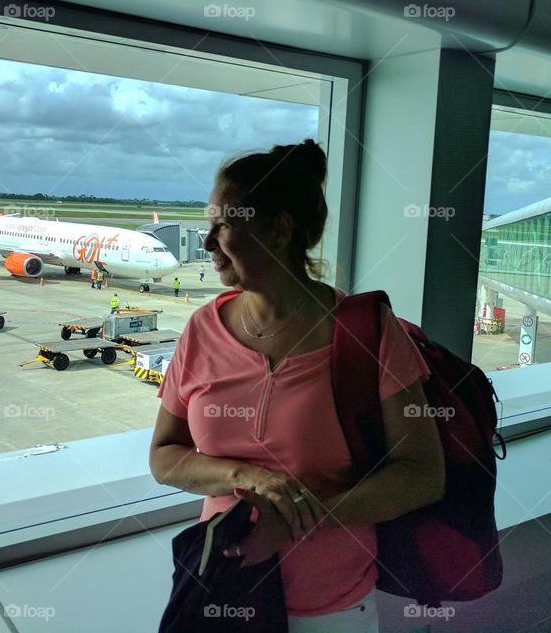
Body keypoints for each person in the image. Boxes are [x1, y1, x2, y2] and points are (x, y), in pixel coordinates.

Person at [150, 139, 444, 632]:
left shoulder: (365, 332)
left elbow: (421, 475)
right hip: (224, 592)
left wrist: (296, 521)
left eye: (223, 225)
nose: (207, 243)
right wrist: (249, 477)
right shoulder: (202, 329)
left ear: (281, 230)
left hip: (332, 608)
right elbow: (164, 456)